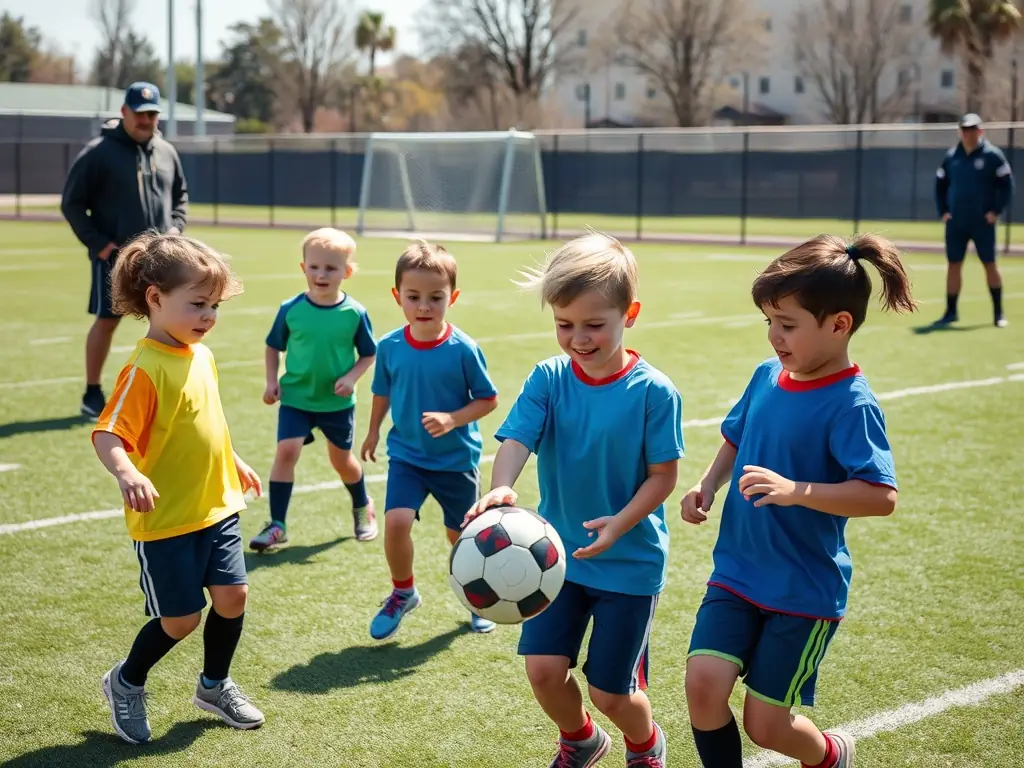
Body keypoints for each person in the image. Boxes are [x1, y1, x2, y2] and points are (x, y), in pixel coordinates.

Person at [681, 233, 917, 768]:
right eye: (769, 321)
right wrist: (708, 484)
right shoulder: (767, 377)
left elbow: (881, 497)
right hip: (736, 572)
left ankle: (830, 755)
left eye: (787, 325)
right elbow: (736, 437)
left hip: (802, 590)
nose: (773, 337)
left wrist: (796, 492)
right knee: (703, 686)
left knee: (765, 725)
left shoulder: (852, 404)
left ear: (839, 324)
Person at [465, 232, 684, 768]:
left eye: (594, 325)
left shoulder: (655, 392)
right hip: (554, 560)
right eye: (565, 325)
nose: (578, 339)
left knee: (611, 692)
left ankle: (644, 743)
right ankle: (582, 740)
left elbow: (663, 477)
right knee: (542, 670)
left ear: (628, 314)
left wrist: (620, 524)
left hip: (628, 563)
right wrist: (502, 484)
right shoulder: (549, 377)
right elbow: (518, 438)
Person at [91, 232, 264, 744]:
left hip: (217, 507)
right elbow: (108, 434)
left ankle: (214, 685)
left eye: (213, 305)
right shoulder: (144, 369)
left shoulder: (200, 355)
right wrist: (128, 472)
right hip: (167, 520)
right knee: (181, 619)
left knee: (232, 597)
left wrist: (232, 459)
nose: (208, 316)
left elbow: (201, 421)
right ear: (155, 298)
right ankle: (126, 681)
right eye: (197, 304)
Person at [361, 240, 499, 639]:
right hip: (406, 455)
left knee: (463, 537)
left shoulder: (464, 349)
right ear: (397, 297)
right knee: (396, 522)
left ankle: (478, 598)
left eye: (435, 297)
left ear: (452, 297)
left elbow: (488, 400)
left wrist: (453, 418)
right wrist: (373, 430)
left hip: (455, 461)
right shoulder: (388, 346)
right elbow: (382, 390)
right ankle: (403, 593)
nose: (424, 306)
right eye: (414, 297)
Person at [62, 81, 190, 420]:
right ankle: (92, 392)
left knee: (171, 320)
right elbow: (72, 204)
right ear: (124, 113)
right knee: (107, 320)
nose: (147, 120)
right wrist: (101, 245)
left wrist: (176, 228)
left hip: (163, 259)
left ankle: (168, 390)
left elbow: (181, 196)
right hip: (115, 260)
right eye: (140, 114)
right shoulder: (98, 153)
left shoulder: (166, 151)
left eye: (152, 114)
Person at [250, 228, 379, 552]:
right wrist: (271, 380)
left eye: (331, 268)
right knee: (287, 452)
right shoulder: (290, 308)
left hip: (336, 403)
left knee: (342, 461)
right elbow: (272, 347)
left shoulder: (355, 313)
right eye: (315, 267)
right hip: (296, 398)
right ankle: (277, 524)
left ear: (346, 272)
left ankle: (363, 505)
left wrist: (351, 378)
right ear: (303, 267)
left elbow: (368, 354)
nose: (321, 274)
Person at [934, 113, 1014, 328]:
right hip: (956, 223)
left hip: (982, 223)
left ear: (980, 131)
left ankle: (998, 313)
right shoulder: (951, 157)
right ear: (960, 131)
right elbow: (940, 184)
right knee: (953, 264)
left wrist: (995, 211)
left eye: (973, 129)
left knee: (989, 263)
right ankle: (950, 312)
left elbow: (1007, 185)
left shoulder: (992, 156)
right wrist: (943, 211)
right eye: (965, 129)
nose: (968, 133)